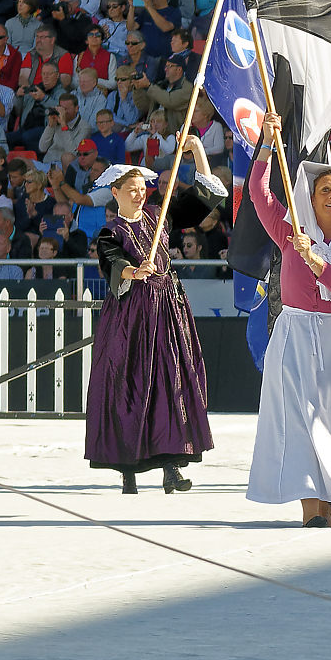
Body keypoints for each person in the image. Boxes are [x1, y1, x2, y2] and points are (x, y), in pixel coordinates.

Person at [245, 113, 331, 527]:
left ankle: (328, 502)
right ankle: (312, 510)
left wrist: (314, 259)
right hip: (294, 332)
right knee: (299, 418)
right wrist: (269, 142)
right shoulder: (290, 230)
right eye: (324, 188)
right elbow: (257, 190)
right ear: (311, 193)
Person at [86, 145, 225, 495]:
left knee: (172, 380)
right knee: (130, 384)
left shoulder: (157, 215)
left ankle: (172, 467)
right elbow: (111, 261)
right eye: (130, 189)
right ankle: (128, 469)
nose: (138, 193)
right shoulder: (111, 231)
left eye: (141, 188)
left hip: (166, 310)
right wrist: (134, 271)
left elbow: (205, 196)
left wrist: (195, 149)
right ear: (115, 192)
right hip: (131, 318)